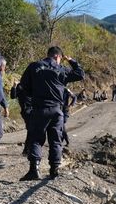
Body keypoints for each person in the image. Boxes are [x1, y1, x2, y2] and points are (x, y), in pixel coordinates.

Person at [18, 46, 84, 180]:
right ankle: (54, 170)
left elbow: (23, 86)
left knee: (36, 138)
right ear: (58, 57)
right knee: (55, 140)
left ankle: (34, 170)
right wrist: (71, 60)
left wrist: (31, 99)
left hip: (39, 108)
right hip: (56, 110)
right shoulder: (61, 69)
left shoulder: (34, 66)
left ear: (48, 55)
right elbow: (80, 74)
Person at [10, 79, 32, 155]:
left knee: (32, 130)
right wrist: (14, 86)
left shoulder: (34, 85)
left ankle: (27, 149)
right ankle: (27, 150)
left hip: (34, 110)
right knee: (31, 129)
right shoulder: (20, 86)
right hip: (27, 110)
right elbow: (13, 96)